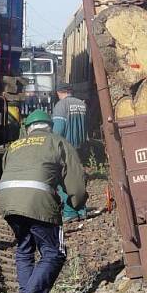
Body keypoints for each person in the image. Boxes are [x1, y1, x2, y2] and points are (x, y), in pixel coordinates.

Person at [0, 109, 87, 293]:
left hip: (8, 200)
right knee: (54, 252)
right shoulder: (57, 142)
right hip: (38, 200)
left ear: (28, 128)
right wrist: (76, 203)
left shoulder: (15, 145)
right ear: (50, 127)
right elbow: (75, 180)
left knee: (24, 248)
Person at [52, 83, 88, 222]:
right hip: (80, 147)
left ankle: (70, 212)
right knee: (79, 180)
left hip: (66, 149)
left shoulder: (61, 106)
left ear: (59, 92)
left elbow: (58, 130)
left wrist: (54, 145)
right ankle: (81, 209)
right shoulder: (81, 104)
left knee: (64, 181)